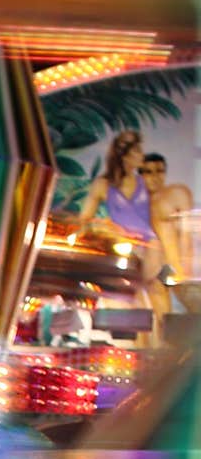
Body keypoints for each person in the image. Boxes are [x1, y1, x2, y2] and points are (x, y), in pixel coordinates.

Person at [78, 129, 169, 326]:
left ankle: (161, 328)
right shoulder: (103, 185)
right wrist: (105, 228)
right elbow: (84, 218)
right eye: (137, 152)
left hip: (148, 244)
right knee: (125, 282)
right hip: (121, 243)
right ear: (125, 156)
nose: (141, 156)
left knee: (151, 281)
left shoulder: (144, 181)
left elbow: (163, 205)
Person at [140, 152, 197, 310]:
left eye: (160, 171)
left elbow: (188, 233)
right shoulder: (139, 204)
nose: (155, 177)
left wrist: (186, 269)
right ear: (141, 175)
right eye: (149, 172)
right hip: (154, 271)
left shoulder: (176, 193)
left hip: (177, 267)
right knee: (161, 318)